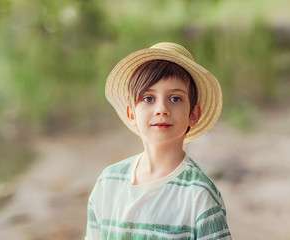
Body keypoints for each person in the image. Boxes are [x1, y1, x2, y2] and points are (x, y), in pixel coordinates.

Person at [85, 42, 232, 239]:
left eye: (175, 99)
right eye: (148, 99)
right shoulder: (108, 182)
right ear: (131, 113)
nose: (161, 109)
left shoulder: (198, 194)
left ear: (194, 115)